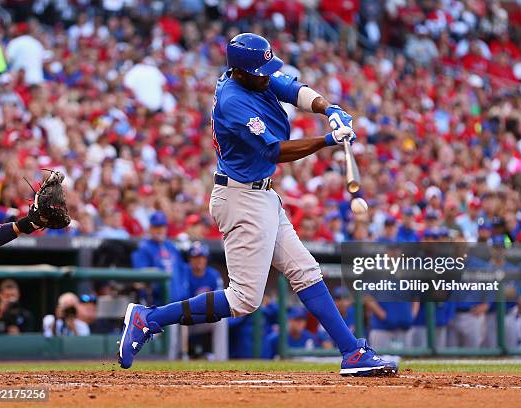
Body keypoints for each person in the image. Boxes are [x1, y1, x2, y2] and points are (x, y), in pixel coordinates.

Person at [118, 33, 397, 376]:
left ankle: (352, 352)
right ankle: (150, 318)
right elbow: (274, 151)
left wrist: (330, 109)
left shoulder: (253, 76)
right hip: (241, 198)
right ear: (240, 70)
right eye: (261, 70)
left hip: (260, 195)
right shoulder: (234, 99)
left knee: (306, 271)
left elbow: (293, 89)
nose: (267, 75)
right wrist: (327, 140)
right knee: (243, 300)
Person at [131, 211, 191, 305]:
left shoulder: (171, 246)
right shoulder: (144, 248)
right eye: (157, 227)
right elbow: (140, 275)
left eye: (162, 227)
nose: (160, 230)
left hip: (179, 302)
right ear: (150, 228)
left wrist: (184, 292)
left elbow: (182, 270)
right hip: (157, 304)